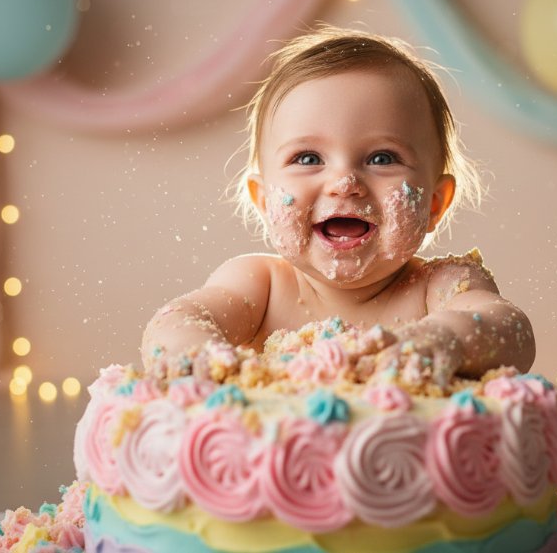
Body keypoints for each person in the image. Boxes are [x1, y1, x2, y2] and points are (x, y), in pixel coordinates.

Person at [141, 25, 534, 388]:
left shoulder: (440, 287)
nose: (345, 183)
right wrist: (197, 355)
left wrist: (444, 338)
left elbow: (510, 329)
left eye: (381, 158)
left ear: (434, 203)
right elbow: (177, 321)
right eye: (309, 158)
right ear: (264, 201)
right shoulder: (259, 285)